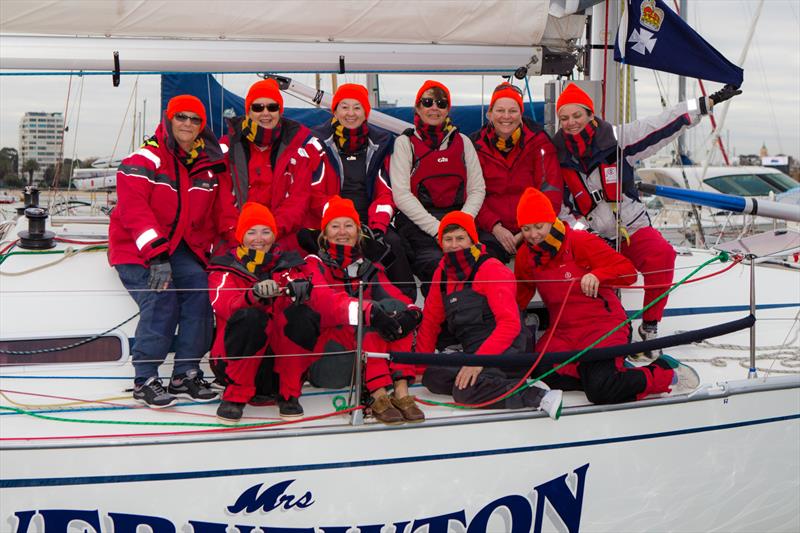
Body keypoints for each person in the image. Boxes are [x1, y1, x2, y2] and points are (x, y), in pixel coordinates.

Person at [552, 82, 741, 356]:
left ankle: (649, 326)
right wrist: (579, 235)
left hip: (630, 227)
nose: (571, 123)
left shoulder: (618, 139)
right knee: (589, 282)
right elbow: (558, 206)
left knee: (661, 255)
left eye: (577, 115)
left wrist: (705, 103)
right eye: (564, 118)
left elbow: (661, 125)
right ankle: (608, 334)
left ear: (590, 114)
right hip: (592, 237)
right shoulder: (555, 155)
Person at [109, 94, 238, 408]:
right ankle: (145, 379)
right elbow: (133, 209)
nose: (188, 124)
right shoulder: (147, 158)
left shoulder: (205, 162)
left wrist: (239, 247)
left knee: (199, 290)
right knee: (162, 297)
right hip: (136, 248)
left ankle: (185, 372)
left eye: (195, 120)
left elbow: (221, 214)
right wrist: (155, 253)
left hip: (178, 248)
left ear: (202, 126)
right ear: (169, 119)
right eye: (181, 117)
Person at [513, 187, 698, 404]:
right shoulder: (526, 256)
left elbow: (628, 272)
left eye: (538, 226)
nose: (533, 235)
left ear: (551, 221)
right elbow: (522, 293)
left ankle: (665, 372)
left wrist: (598, 275)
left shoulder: (579, 241)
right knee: (540, 372)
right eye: (526, 229)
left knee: (600, 391)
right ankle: (609, 372)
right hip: (563, 332)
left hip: (603, 326)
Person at [208, 202, 361, 423]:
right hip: (232, 367)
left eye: (266, 231)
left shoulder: (290, 264)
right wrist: (252, 296)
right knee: (251, 317)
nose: (259, 238)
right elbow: (222, 303)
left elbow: (302, 285)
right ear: (241, 236)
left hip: (277, 371)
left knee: (302, 315)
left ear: (274, 234)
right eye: (251, 232)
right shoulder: (224, 268)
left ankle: (289, 394)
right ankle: (235, 397)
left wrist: (300, 289)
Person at [416, 211, 563, 419]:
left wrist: (477, 362)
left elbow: (510, 324)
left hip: (507, 353)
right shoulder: (442, 274)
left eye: (460, 238)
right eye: (448, 239)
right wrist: (418, 368)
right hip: (475, 353)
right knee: (432, 376)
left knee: (465, 393)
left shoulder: (491, 269)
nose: (454, 245)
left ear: (472, 240)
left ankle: (537, 395)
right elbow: (430, 322)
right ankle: (495, 384)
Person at [303, 195, 425, 425]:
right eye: (335, 225)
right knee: (374, 312)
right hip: (330, 362)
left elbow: (395, 297)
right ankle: (379, 393)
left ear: (358, 232)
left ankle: (400, 391)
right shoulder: (313, 264)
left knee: (396, 310)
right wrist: (371, 312)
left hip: (362, 359)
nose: (342, 231)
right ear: (324, 233)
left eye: (349, 225)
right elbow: (326, 304)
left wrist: (413, 312)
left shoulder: (368, 267)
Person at [308, 83, 415, 299]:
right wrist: (341, 222)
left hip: (369, 219)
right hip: (328, 220)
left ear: (366, 112)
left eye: (357, 107)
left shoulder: (380, 144)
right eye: (344, 107)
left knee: (392, 244)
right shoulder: (316, 143)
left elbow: (385, 193)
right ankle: (324, 302)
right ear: (334, 110)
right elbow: (314, 192)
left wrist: (376, 227)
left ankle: (406, 305)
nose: (350, 113)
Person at [391, 80, 486, 289]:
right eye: (427, 102)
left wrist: (462, 223)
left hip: (460, 220)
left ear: (447, 109)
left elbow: (477, 189)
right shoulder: (405, 144)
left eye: (441, 104)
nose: (434, 108)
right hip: (421, 226)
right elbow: (402, 195)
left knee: (481, 266)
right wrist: (438, 229)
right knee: (437, 268)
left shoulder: (463, 142)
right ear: (417, 108)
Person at [219, 78, 318, 251]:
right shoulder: (228, 149)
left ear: (280, 112)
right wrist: (241, 236)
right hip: (235, 241)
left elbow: (298, 200)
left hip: (282, 240)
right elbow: (221, 202)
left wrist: (270, 234)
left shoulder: (298, 148)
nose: (265, 113)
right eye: (258, 107)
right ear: (248, 111)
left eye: (272, 107)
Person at [471, 82, 562, 263]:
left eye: (513, 111)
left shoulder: (539, 143)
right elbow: (472, 193)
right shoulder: (475, 146)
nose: (506, 116)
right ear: (490, 114)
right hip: (490, 230)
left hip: (534, 227)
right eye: (500, 110)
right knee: (483, 263)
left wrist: (526, 231)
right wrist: (495, 227)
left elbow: (550, 189)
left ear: (521, 115)